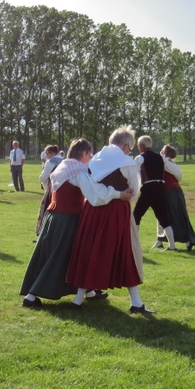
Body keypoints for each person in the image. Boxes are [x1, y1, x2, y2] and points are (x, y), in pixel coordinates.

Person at [22, 139, 131, 308]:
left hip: (53, 216)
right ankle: (31, 296)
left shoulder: (63, 165)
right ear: (84, 154)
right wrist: (118, 194)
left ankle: (89, 291)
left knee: (50, 255)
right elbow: (95, 195)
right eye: (90, 154)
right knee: (59, 257)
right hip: (67, 219)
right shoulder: (77, 171)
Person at [66, 126, 152, 314]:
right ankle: (136, 301)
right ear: (126, 145)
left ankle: (78, 299)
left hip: (93, 210)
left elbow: (90, 185)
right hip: (116, 211)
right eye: (129, 147)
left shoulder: (95, 159)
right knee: (125, 251)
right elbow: (134, 189)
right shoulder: (126, 162)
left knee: (89, 250)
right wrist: (121, 194)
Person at [132, 135, 175, 250]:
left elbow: (134, 174)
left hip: (148, 188)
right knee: (163, 217)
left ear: (141, 146)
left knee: (136, 215)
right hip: (160, 187)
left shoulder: (140, 158)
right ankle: (172, 245)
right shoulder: (160, 157)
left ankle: (133, 242)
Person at [154, 145, 195, 250]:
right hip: (176, 191)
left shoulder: (165, 162)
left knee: (167, 216)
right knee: (178, 215)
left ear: (166, 153)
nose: (160, 152)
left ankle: (184, 240)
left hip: (169, 192)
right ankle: (161, 240)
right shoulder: (174, 165)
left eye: (162, 151)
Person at [36, 145, 62, 237]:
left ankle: (44, 232)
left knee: (47, 211)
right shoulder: (63, 160)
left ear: (52, 153)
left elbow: (43, 177)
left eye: (47, 153)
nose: (45, 155)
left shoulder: (50, 162)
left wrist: (43, 182)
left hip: (51, 190)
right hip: (62, 192)